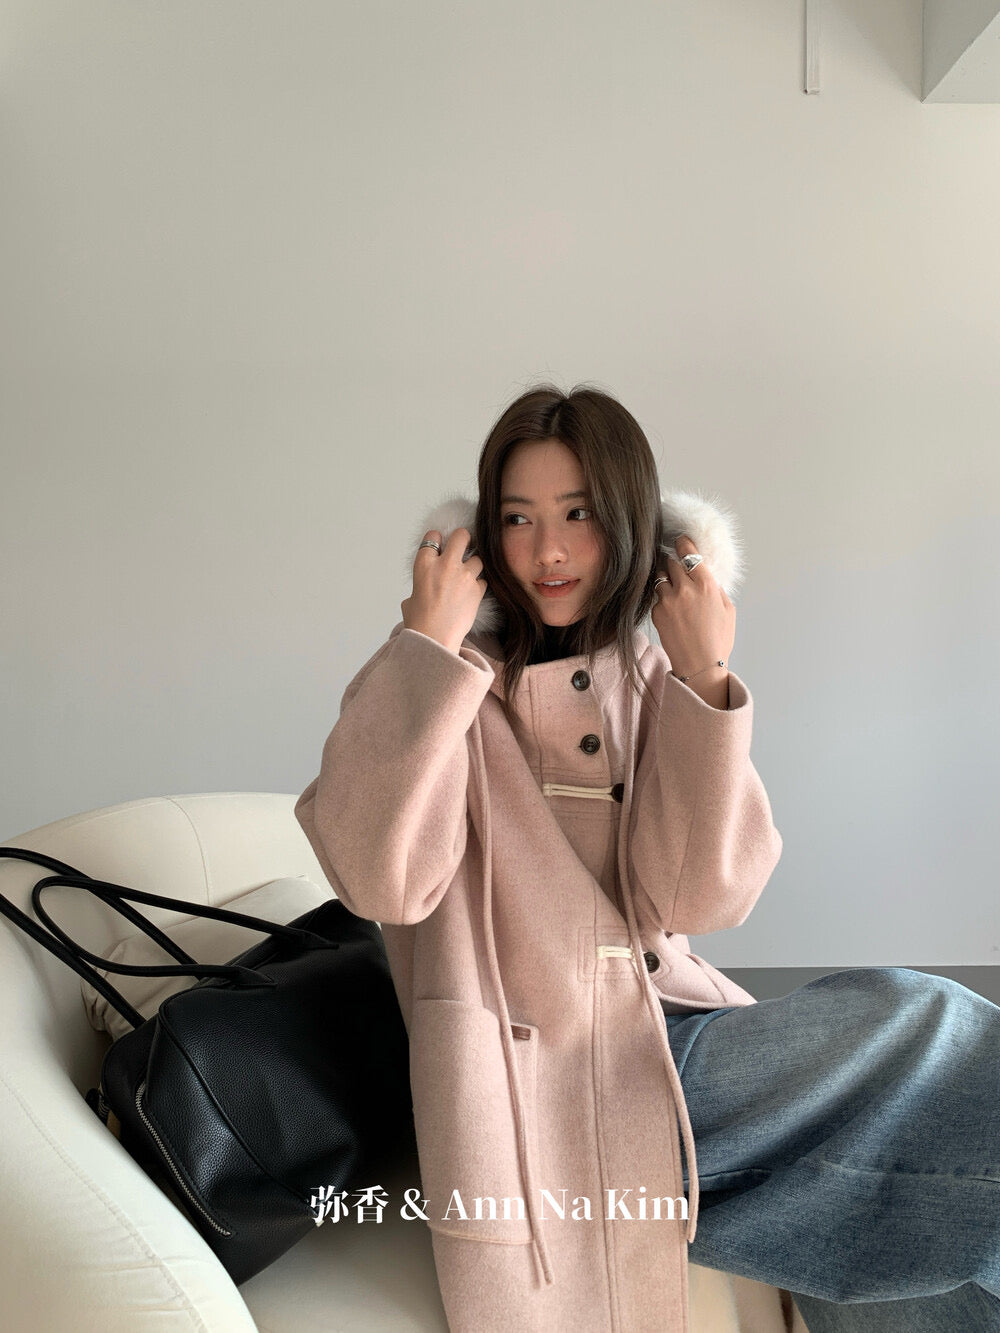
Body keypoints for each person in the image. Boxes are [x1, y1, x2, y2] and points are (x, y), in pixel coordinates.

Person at [295, 383, 1000, 1333]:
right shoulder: (436, 681)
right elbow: (382, 878)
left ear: (631, 524)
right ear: (478, 537)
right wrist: (427, 646)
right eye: (518, 518)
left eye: (578, 514)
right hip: (546, 1083)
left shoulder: (651, 673)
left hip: (670, 1042)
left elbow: (700, 897)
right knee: (923, 1020)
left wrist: (704, 678)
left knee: (937, 1261)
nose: (548, 551)